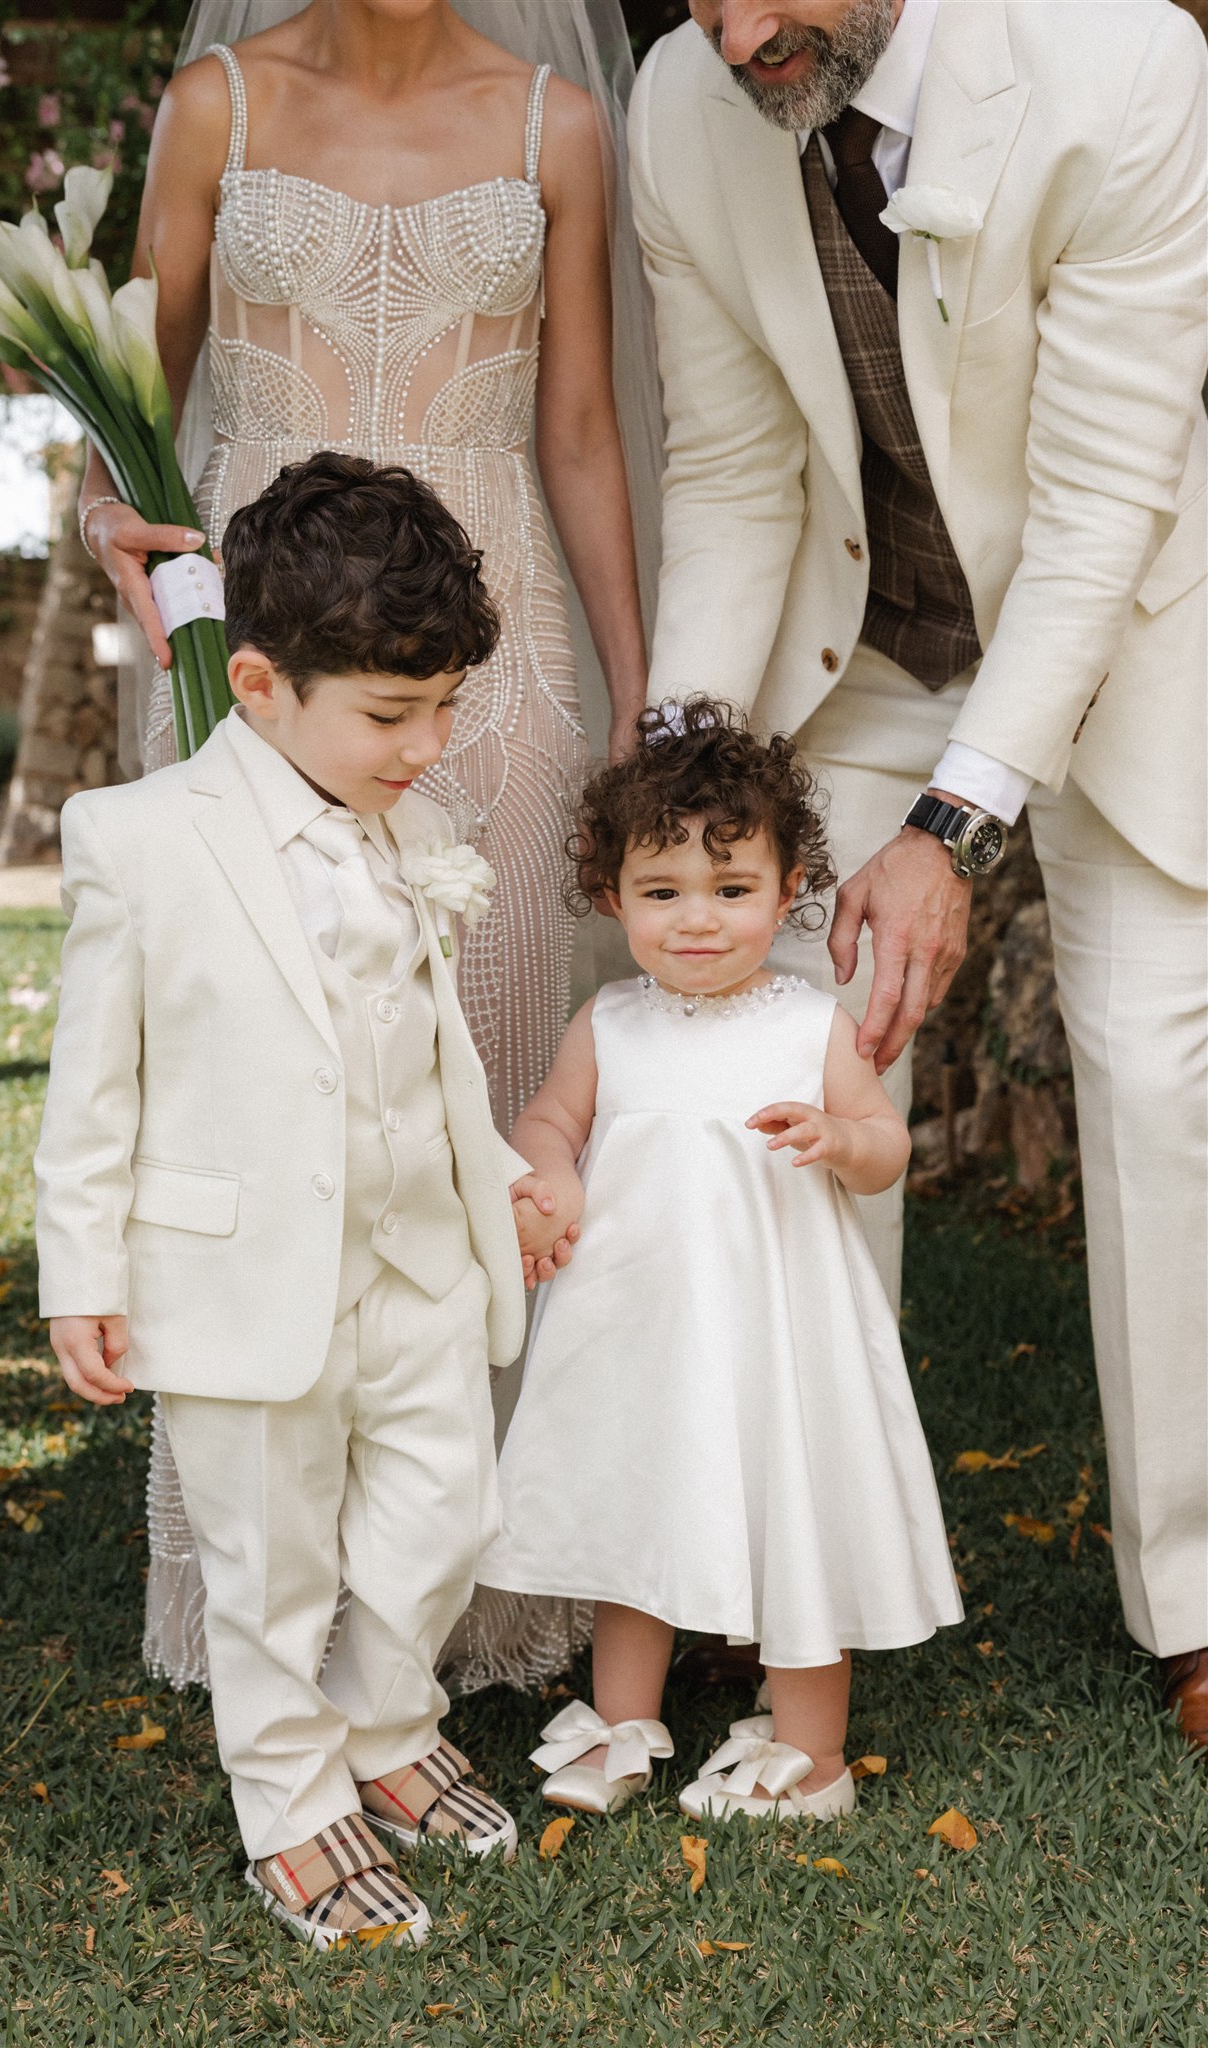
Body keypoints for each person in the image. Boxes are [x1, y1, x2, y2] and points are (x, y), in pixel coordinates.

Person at [628, 0, 1208, 1749]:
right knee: (778, 1054)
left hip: (1131, 633)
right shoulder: (679, 100)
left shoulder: (1127, 62)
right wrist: (688, 790)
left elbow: (1111, 490)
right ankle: (792, 1569)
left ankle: (1195, 1595)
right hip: (870, 648)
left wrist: (955, 831)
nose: (736, 36)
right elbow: (731, 473)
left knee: (1159, 1080)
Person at [76, 0, 662, 1697]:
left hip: (492, 677)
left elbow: (576, 436)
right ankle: (268, 1605)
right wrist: (122, 536)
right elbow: (129, 417)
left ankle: (458, 1610)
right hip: (252, 665)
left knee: (464, 1124)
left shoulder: (559, 122)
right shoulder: (217, 106)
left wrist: (632, 700)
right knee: (261, 1097)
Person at [36, 455, 575, 1946]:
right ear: (260, 684)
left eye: (445, 708)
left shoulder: (401, 827)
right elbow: (94, 1091)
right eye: (394, 716)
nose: (428, 747)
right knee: (269, 1566)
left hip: (415, 1258)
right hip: (240, 1276)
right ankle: (291, 1803)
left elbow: (433, 1049)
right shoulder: (137, 842)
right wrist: (80, 1272)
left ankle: (386, 1723)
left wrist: (505, 1184)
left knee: (448, 1508)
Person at [477, 699, 962, 1818]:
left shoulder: (807, 1026)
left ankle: (812, 1750)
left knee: (794, 1503)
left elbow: (885, 1145)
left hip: (776, 1327)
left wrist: (840, 1138)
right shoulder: (609, 1021)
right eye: (662, 893)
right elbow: (551, 1116)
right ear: (612, 896)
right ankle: (622, 1718)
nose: (698, 919)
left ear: (788, 889)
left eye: (731, 889)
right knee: (635, 1508)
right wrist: (543, 1173)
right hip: (640, 1319)